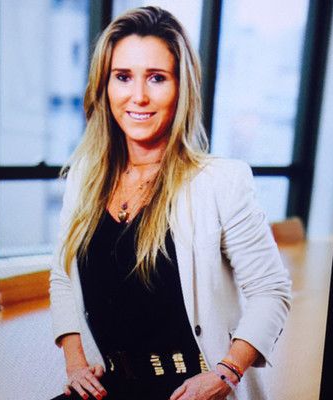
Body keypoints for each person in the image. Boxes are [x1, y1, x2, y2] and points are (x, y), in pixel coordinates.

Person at [49, 6, 291, 400]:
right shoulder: (83, 178)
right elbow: (62, 275)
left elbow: (270, 290)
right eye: (123, 77)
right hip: (110, 387)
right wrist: (74, 361)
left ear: (181, 88)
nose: (138, 96)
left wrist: (226, 374)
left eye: (157, 78)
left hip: (192, 390)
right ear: (104, 86)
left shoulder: (220, 182)